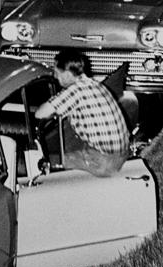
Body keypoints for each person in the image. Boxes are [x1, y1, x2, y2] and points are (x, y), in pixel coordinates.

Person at [34, 48, 129, 177]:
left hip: (105, 161)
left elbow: (40, 114)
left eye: (57, 73)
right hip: (120, 154)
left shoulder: (76, 90)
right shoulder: (94, 84)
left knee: (52, 162)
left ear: (67, 74)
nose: (55, 77)